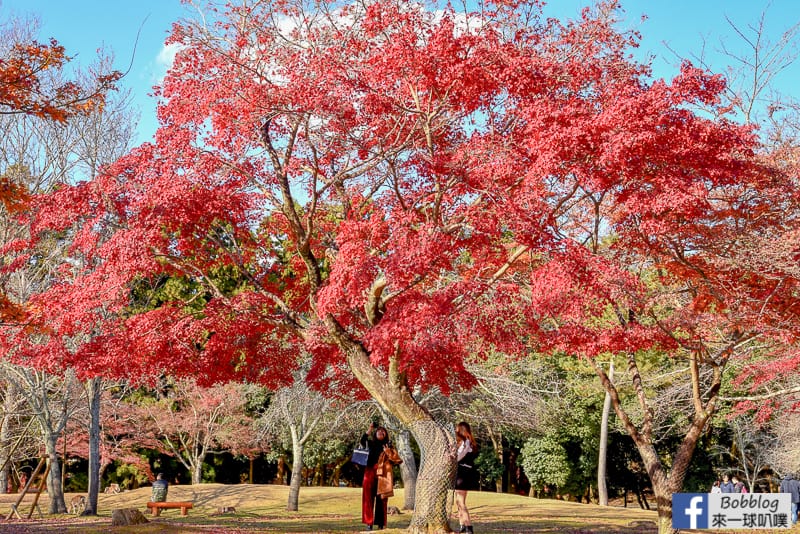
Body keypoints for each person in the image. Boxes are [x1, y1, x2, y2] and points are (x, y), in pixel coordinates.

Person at [360, 423, 397, 531]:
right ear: (375, 433)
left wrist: (388, 452)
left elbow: (395, 460)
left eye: (383, 432)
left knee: (382, 499)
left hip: (383, 474)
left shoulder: (388, 445)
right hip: (370, 472)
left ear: (386, 434)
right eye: (378, 431)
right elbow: (362, 440)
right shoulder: (371, 443)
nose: (380, 433)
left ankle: (381, 524)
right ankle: (369, 523)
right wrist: (370, 428)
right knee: (368, 497)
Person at [455, 421, 478, 534]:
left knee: (461, 502)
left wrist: (451, 456)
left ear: (461, 430)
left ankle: (469, 527)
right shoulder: (468, 442)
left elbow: (459, 457)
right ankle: (462, 524)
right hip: (465, 473)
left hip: (463, 473)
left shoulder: (466, 442)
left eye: (457, 429)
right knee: (458, 501)